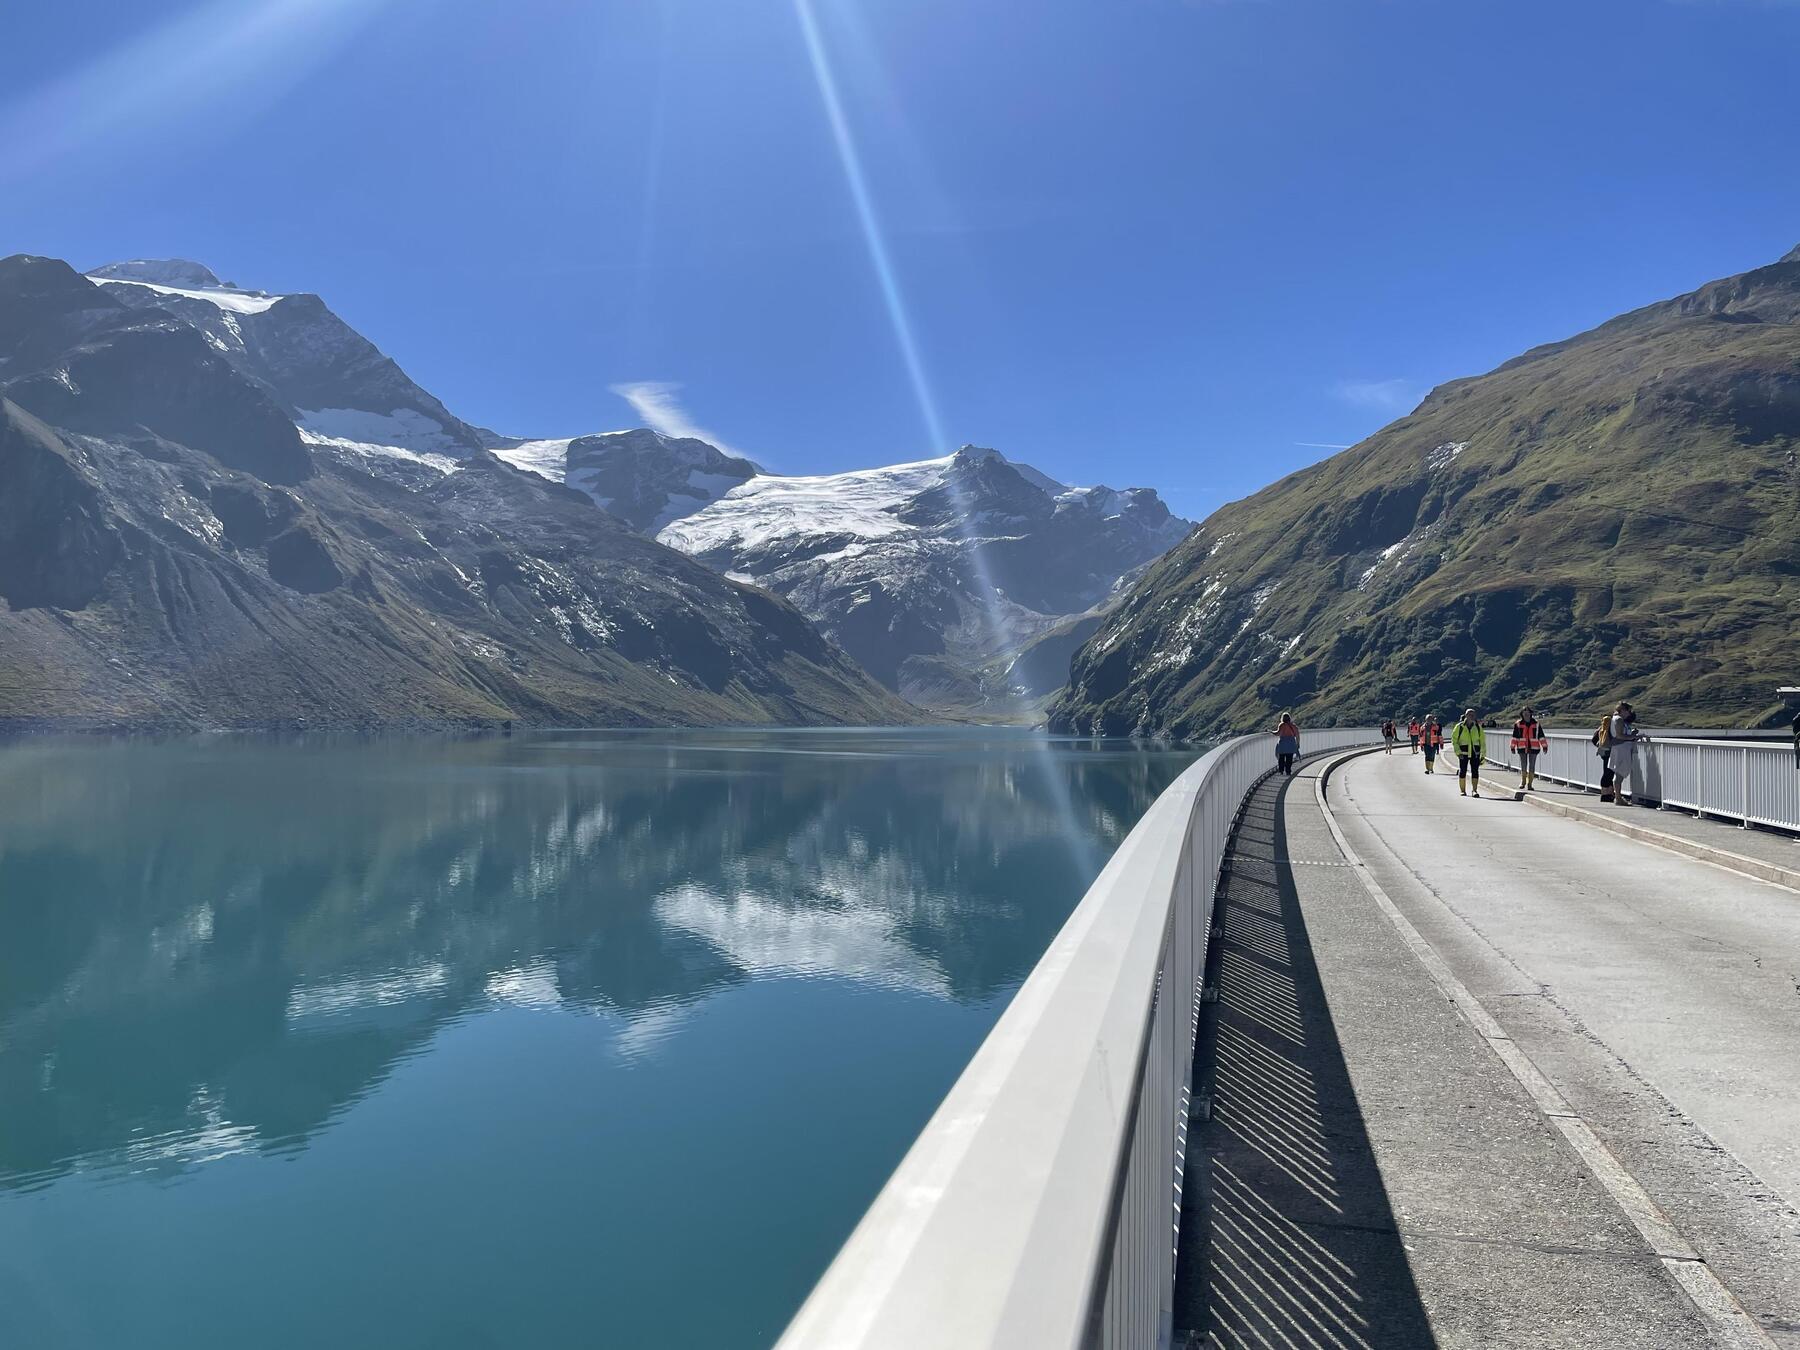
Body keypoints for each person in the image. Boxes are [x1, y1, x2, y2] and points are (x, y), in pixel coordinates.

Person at [1604, 702, 1647, 804]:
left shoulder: (1617, 719)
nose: (1629, 713)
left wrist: (1632, 734)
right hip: (1621, 750)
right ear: (1623, 710)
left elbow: (1620, 735)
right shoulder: (1619, 719)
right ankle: (1618, 798)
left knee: (1619, 774)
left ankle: (1618, 797)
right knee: (1619, 774)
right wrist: (1634, 737)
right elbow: (1619, 735)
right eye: (1628, 710)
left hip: (1620, 749)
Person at [1510, 706, 1547, 790]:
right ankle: (1523, 782)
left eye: (1528, 712)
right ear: (1522, 714)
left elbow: (1541, 736)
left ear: (1530, 713)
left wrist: (1544, 746)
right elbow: (1515, 736)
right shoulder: (1518, 724)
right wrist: (1512, 746)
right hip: (1522, 747)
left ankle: (1530, 784)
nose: (1526, 714)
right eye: (1524, 712)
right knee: (1523, 764)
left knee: (1532, 765)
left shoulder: (1536, 724)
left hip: (1534, 747)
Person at [1451, 708, 1485, 797]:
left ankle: (1474, 790)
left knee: (1475, 771)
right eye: (1470, 714)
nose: (1472, 716)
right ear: (1465, 715)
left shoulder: (1478, 727)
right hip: (1463, 753)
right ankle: (1463, 790)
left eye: (1473, 715)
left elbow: (1482, 741)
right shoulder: (1459, 727)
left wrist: (1483, 755)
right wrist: (1458, 752)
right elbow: (1454, 740)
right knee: (1463, 771)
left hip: (1475, 752)